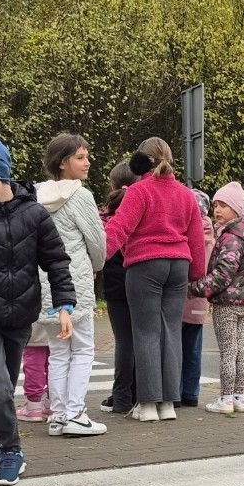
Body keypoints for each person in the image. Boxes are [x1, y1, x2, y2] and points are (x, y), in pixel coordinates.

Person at [0, 138, 75, 486]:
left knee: (2, 385)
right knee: (0, 385)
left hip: (20, 316)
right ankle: (11, 451)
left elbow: (56, 261)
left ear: (1, 175)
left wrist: (64, 305)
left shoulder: (34, 215)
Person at [102, 138, 207, 422]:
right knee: (171, 332)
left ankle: (148, 405)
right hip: (178, 266)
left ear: (140, 161)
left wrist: (96, 259)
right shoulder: (186, 195)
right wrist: (196, 273)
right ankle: (168, 404)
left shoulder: (139, 191)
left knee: (146, 332)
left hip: (145, 265)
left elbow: (119, 228)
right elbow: (196, 240)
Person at [37, 134, 107, 436]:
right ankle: (76, 414)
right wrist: (97, 266)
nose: (87, 161)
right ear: (63, 162)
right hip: (74, 281)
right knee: (82, 350)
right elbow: (96, 242)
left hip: (45, 283)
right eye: (80, 157)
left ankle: (58, 416)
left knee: (58, 352)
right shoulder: (80, 195)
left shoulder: (37, 194)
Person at [192, 181, 244, 414]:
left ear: (236, 208)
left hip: (226, 304)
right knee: (240, 351)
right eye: (215, 205)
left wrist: (195, 288)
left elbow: (223, 274)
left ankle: (225, 399)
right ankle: (240, 397)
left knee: (228, 353)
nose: (217, 210)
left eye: (223, 205)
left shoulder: (231, 237)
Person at [97, 162, 140, 415]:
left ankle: (121, 396)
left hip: (114, 283)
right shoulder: (140, 209)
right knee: (143, 338)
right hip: (140, 277)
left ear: (112, 185)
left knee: (124, 340)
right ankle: (140, 393)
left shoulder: (104, 215)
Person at [179, 187, 214, 408]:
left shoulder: (190, 230)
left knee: (176, 347)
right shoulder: (211, 232)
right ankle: (191, 393)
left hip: (183, 294)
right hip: (200, 299)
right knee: (193, 348)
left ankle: (176, 390)